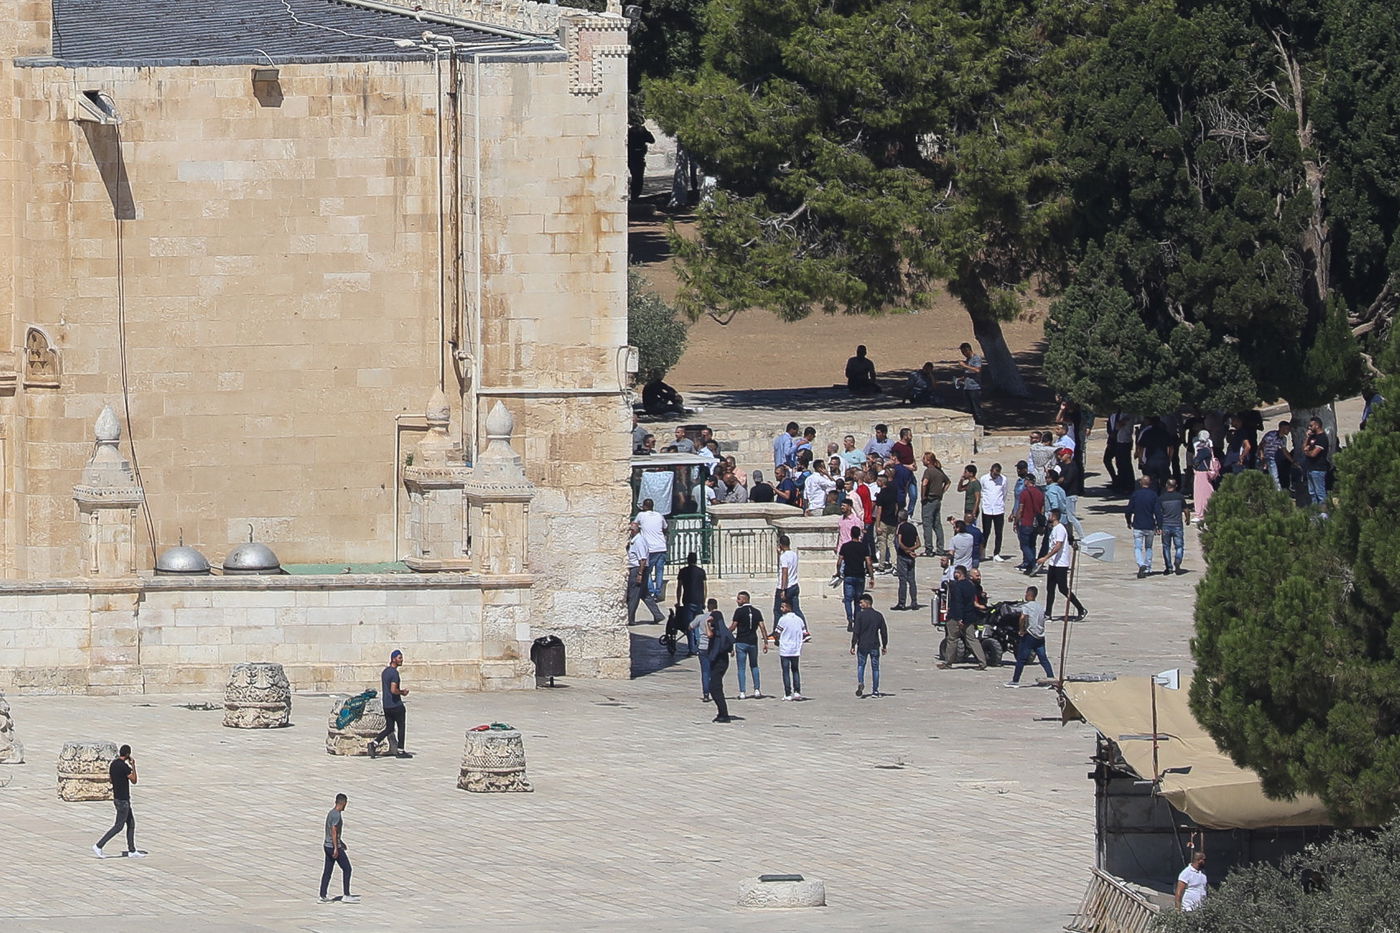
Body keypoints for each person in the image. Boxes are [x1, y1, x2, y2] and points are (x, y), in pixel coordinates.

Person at [1036, 509, 1086, 621]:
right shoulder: (1054, 529)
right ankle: (1048, 613)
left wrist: (1045, 557)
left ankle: (1081, 608)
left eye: (1049, 515)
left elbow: (1058, 546)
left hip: (1061, 564)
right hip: (1053, 563)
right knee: (1050, 588)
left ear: (1054, 516)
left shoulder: (1060, 529)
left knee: (1063, 588)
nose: (1048, 516)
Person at [93, 744, 142, 858]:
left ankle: (132, 850)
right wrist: (133, 766)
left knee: (131, 824)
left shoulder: (113, 764)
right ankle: (99, 845)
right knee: (118, 826)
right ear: (128, 754)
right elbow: (134, 780)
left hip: (117, 798)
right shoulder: (124, 767)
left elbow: (111, 779)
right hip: (123, 800)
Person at [937, 565, 986, 669]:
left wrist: (959, 618)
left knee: (952, 639)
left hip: (956, 617)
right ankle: (982, 661)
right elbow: (972, 601)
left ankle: (948, 662)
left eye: (955, 573)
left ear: (959, 574)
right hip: (970, 616)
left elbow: (958, 603)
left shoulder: (957, 586)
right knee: (972, 639)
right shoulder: (970, 585)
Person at [1004, 586, 1054, 687]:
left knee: (1021, 659)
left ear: (1028, 594)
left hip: (1030, 636)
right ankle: (1051, 679)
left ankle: (1015, 680)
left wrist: (1021, 630)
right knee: (1043, 659)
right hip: (1040, 636)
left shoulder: (1026, 606)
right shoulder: (1041, 607)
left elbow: (1023, 617)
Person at [369, 649, 410, 759]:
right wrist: (402, 692)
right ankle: (400, 751)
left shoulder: (385, 672)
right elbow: (393, 690)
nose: (402, 660)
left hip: (386, 705)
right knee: (401, 727)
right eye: (400, 658)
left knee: (390, 728)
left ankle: (374, 744)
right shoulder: (394, 673)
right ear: (393, 659)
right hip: (396, 705)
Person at [319, 793, 360, 903]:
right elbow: (333, 831)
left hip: (327, 845)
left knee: (327, 871)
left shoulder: (331, 813)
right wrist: (337, 848)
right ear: (343, 803)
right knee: (347, 868)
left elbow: (333, 832)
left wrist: (341, 842)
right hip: (333, 847)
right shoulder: (336, 815)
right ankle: (346, 895)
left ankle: (322, 896)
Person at [729, 592, 767, 699]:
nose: (737, 601)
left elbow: (733, 627)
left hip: (741, 641)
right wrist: (765, 641)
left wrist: (725, 634)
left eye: (739, 599)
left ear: (745, 599)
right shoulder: (757, 612)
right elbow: (762, 627)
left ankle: (742, 692)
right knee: (754, 666)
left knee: (741, 668)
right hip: (753, 642)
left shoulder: (739, 611)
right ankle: (757, 690)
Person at [625, 521, 664, 625]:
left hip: (638, 569)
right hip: (639, 569)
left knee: (634, 595)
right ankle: (658, 615)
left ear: (633, 531)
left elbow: (642, 559)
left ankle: (630, 618)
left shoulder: (639, 541)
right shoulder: (635, 541)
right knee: (644, 594)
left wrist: (640, 574)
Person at [836, 525, 875, 630]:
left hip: (848, 576)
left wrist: (838, 572)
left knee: (848, 600)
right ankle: (857, 620)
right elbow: (868, 562)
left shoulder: (845, 546)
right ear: (859, 535)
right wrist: (872, 577)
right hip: (860, 576)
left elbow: (839, 562)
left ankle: (849, 619)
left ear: (850, 534)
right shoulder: (863, 547)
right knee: (858, 600)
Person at [850, 593, 888, 697]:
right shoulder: (878, 615)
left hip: (862, 645)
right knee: (875, 668)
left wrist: (853, 645)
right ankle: (875, 691)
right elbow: (884, 632)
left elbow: (856, 631)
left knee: (861, 665)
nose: (860, 605)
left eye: (861, 603)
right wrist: (884, 645)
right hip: (874, 645)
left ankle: (861, 682)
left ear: (867, 603)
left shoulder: (860, 616)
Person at [1125, 475, 1163, 578]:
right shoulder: (1153, 495)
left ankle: (1141, 564)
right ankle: (1148, 567)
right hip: (1150, 525)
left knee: (1138, 547)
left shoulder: (1136, 495)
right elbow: (1158, 512)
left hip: (1138, 525)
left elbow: (1128, 510)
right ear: (1149, 483)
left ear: (1141, 483)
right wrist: (1160, 526)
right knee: (1148, 547)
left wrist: (1128, 521)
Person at [1012, 461, 1045, 572]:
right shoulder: (1040, 493)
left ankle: (1033, 562)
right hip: (1035, 523)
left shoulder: (1025, 493)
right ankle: (1030, 567)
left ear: (1028, 481)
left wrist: (1016, 521)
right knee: (1032, 544)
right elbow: (1042, 509)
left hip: (1026, 522)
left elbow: (1020, 509)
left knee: (1024, 545)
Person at [772, 601, 809, 700]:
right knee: (795, 670)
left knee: (785, 671)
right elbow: (805, 633)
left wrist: (776, 640)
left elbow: (777, 632)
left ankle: (788, 693)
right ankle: (797, 692)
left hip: (785, 648)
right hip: (796, 649)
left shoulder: (783, 619)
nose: (781, 609)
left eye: (783, 607)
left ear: (788, 607)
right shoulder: (799, 619)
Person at [706, 604, 736, 722]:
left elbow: (709, 635)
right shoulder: (724, 632)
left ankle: (724, 714)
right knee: (716, 687)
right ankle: (721, 713)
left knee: (715, 688)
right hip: (723, 662)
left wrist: (707, 624)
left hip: (719, 662)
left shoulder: (718, 633)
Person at [635, 498, 668, 599]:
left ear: (644, 506)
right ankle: (658, 593)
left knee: (646, 571)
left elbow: (634, 524)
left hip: (650, 548)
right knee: (659, 571)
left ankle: (651, 591)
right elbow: (665, 527)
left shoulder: (641, 515)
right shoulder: (659, 515)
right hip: (661, 546)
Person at [919, 452, 950, 555]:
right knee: (937, 525)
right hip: (937, 500)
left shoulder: (928, 471)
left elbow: (924, 483)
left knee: (927, 525)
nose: (922, 461)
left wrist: (923, 496)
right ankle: (940, 548)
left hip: (929, 500)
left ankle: (929, 549)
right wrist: (941, 492)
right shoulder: (939, 471)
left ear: (928, 461)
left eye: (924, 459)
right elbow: (948, 482)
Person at [892, 509, 921, 611]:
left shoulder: (900, 527)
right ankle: (914, 602)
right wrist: (911, 550)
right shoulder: (912, 527)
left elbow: (899, 542)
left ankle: (902, 603)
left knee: (903, 581)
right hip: (911, 558)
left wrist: (907, 551)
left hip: (903, 557)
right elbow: (918, 543)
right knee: (912, 581)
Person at [675, 551, 706, 643]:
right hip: (699, 601)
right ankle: (698, 644)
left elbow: (679, 587)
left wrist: (678, 601)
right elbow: (705, 588)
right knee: (697, 624)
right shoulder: (701, 572)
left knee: (689, 625)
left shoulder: (683, 571)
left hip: (688, 601)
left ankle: (692, 648)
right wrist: (704, 601)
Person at [1159, 478, 1188, 575]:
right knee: (1179, 546)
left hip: (1165, 525)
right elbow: (1186, 510)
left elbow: (1159, 513)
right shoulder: (1180, 497)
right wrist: (1187, 519)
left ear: (1166, 486)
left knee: (1166, 547)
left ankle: (1169, 567)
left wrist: (1157, 525)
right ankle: (1178, 560)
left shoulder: (1161, 498)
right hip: (1177, 525)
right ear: (1176, 486)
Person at [980, 462, 1008, 560]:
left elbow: (1004, 493)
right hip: (987, 509)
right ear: (991, 471)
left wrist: (1000, 503)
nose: (996, 476)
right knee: (986, 532)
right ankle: (982, 552)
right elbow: (982, 491)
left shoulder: (1003, 479)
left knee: (999, 532)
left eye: (998, 474)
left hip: (998, 509)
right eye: (994, 474)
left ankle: (996, 553)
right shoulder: (984, 479)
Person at [1190, 431, 1219, 523]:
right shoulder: (1209, 449)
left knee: (1200, 494)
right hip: (1204, 473)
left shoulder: (1203, 450)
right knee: (1206, 492)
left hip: (1201, 473)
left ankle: (1201, 514)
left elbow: (1196, 460)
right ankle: (1207, 512)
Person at [1302, 417, 1330, 507]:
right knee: (1312, 493)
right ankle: (1315, 514)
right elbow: (1304, 448)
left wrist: (1307, 451)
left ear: (1317, 426)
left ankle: (1324, 515)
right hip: (1310, 468)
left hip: (1318, 469)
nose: (1309, 427)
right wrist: (1307, 437)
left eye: (1311, 425)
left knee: (1320, 493)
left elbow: (1314, 454)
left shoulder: (1322, 438)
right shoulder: (1312, 437)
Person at [874, 474, 899, 571]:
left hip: (883, 522)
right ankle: (895, 564)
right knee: (891, 543)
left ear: (880, 482)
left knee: (882, 545)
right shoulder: (893, 493)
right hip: (892, 521)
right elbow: (896, 507)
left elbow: (879, 511)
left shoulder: (881, 495)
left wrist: (877, 525)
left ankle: (881, 566)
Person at [774, 534, 802, 621]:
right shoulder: (794, 554)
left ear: (781, 545)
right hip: (794, 585)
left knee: (778, 610)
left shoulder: (784, 556)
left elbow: (784, 572)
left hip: (786, 587)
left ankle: (777, 631)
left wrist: (783, 589)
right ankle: (804, 630)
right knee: (796, 609)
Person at [1258, 420, 1292, 491]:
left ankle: (1278, 493)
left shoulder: (1283, 439)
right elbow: (1261, 445)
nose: (1289, 431)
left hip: (1271, 458)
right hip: (1262, 457)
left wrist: (1292, 461)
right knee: (1259, 475)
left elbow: (1284, 451)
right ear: (1282, 428)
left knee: (1275, 477)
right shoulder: (1271, 434)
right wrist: (1262, 456)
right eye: (1287, 429)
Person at [956, 342, 985, 423]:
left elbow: (977, 370)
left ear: (967, 350)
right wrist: (960, 379)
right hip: (967, 387)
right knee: (969, 409)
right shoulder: (968, 360)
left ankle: (981, 425)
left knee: (976, 409)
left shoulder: (976, 358)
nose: (963, 354)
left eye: (964, 352)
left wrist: (964, 365)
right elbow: (968, 373)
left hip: (974, 388)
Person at [627, 121, 655, 200]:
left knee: (635, 176)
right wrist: (646, 131)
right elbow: (652, 140)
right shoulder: (642, 131)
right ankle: (635, 195)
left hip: (631, 157)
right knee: (638, 178)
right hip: (638, 157)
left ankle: (634, 195)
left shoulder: (629, 131)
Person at [690, 603, 713, 701]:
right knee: (713, 671)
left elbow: (690, 626)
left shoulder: (700, 617)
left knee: (705, 672)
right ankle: (715, 691)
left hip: (703, 647)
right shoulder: (718, 617)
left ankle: (706, 694)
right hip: (714, 648)